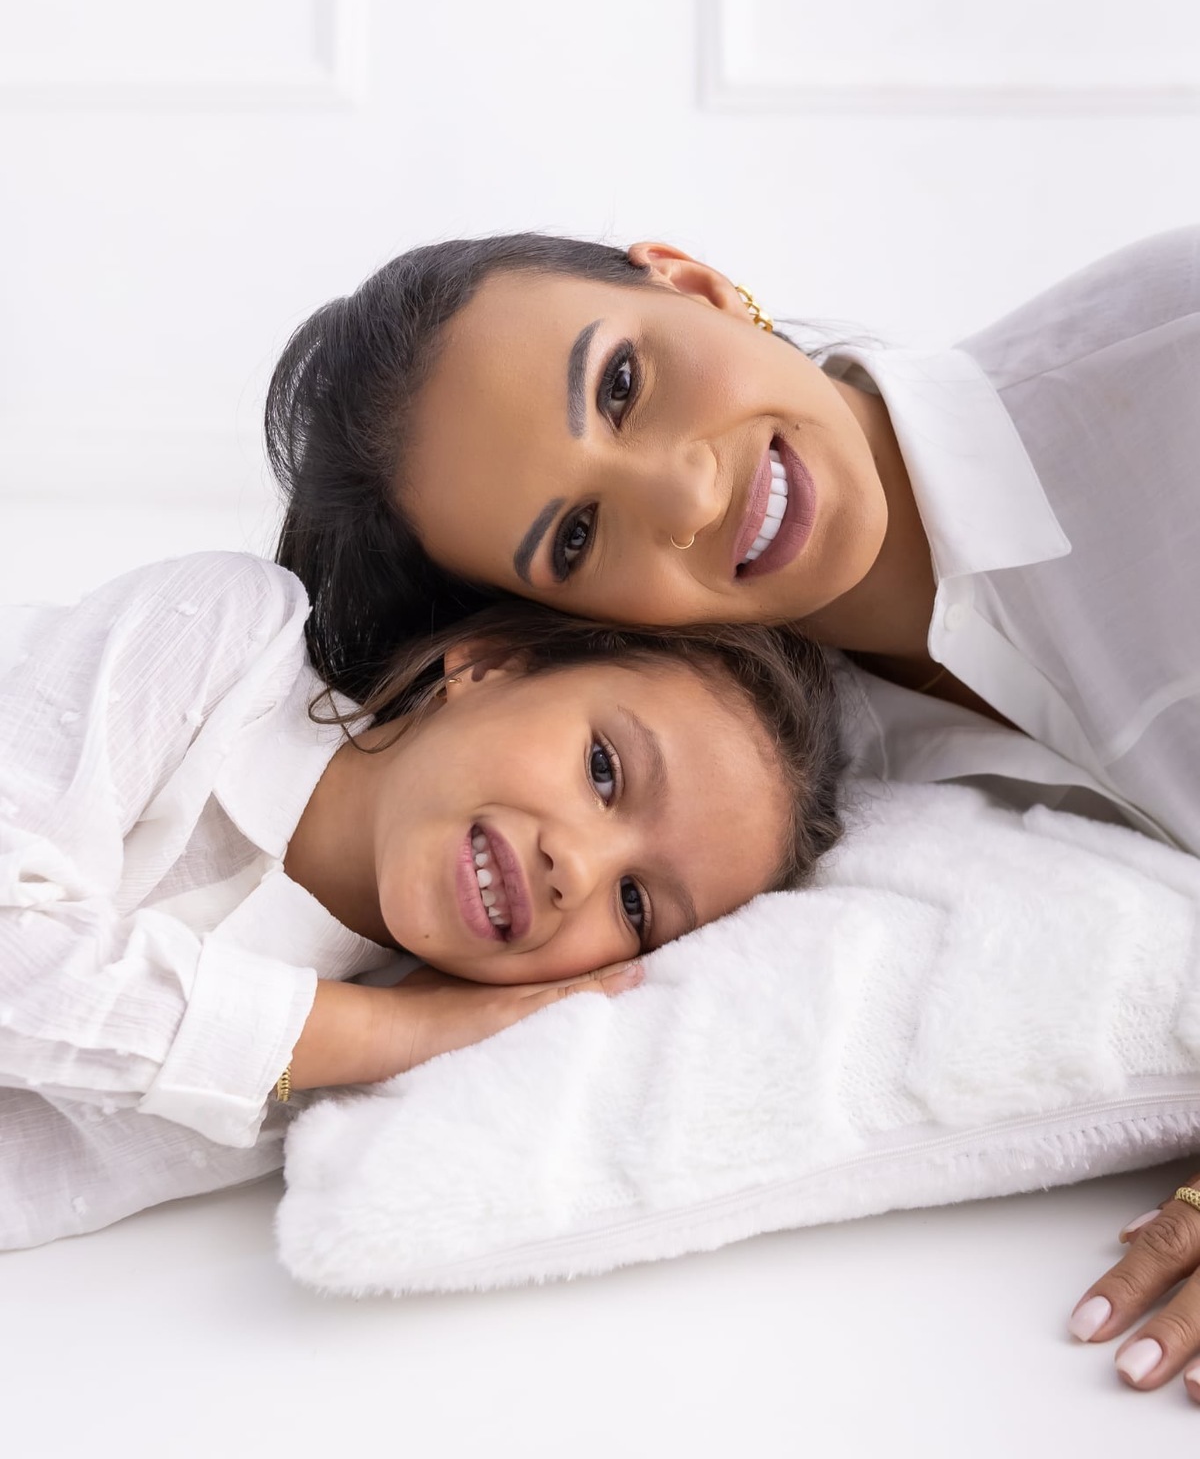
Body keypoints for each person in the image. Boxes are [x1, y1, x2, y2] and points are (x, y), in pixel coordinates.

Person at [265, 221, 1200, 1397]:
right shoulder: (765, 787)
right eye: (574, 537)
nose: (689, 488)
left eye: (620, 383)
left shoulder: (1172, 351)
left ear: (697, 285)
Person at [0, 550, 841, 1251]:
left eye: (635, 907)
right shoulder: (232, 636)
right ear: (490, 663)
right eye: (603, 769)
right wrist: (394, 1031)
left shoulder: (340, 1088)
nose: (575, 869)